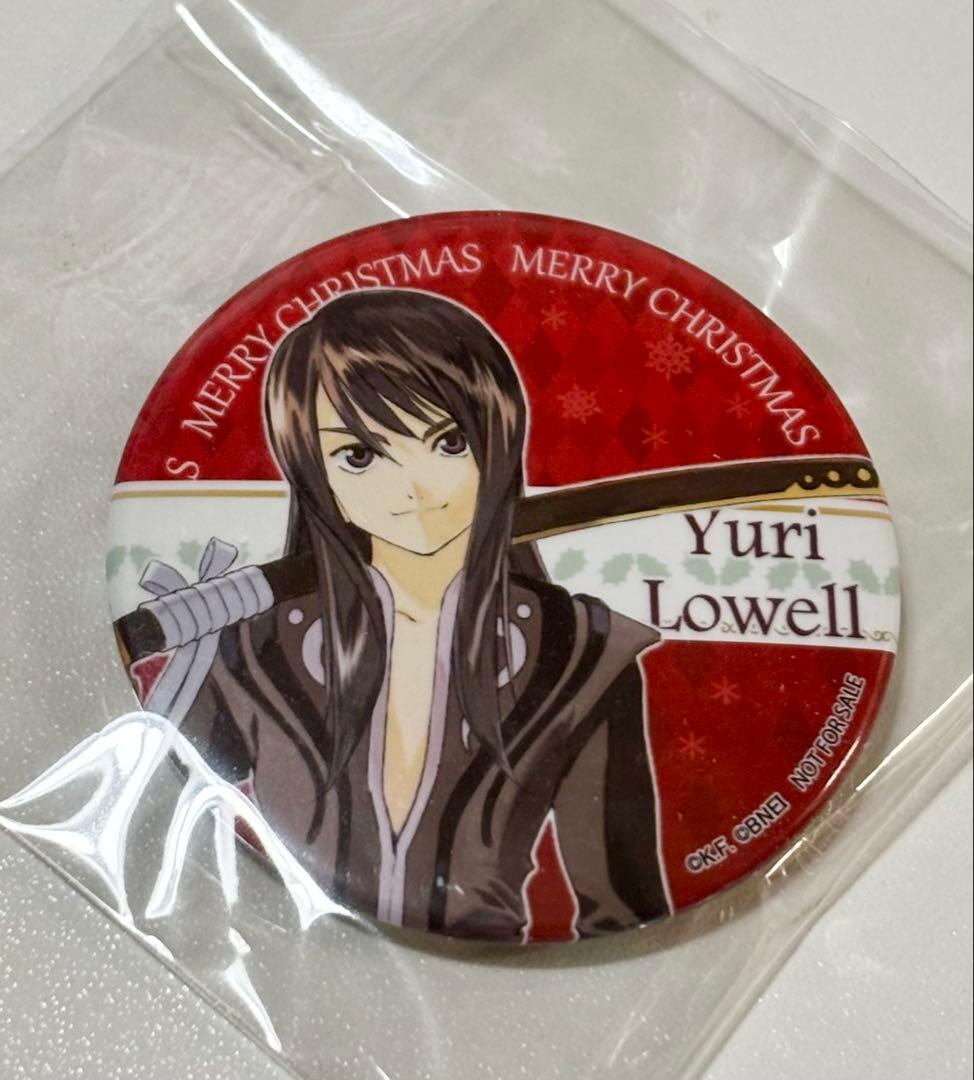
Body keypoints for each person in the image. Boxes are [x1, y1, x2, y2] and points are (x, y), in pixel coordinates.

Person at [179, 288, 669, 940]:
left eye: (448, 441)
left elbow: (623, 911)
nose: (414, 487)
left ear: (498, 439)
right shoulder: (257, 644)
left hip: (481, 978)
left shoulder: (579, 651)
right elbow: (169, 797)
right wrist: (188, 662)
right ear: (312, 472)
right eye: (360, 455)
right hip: (268, 942)